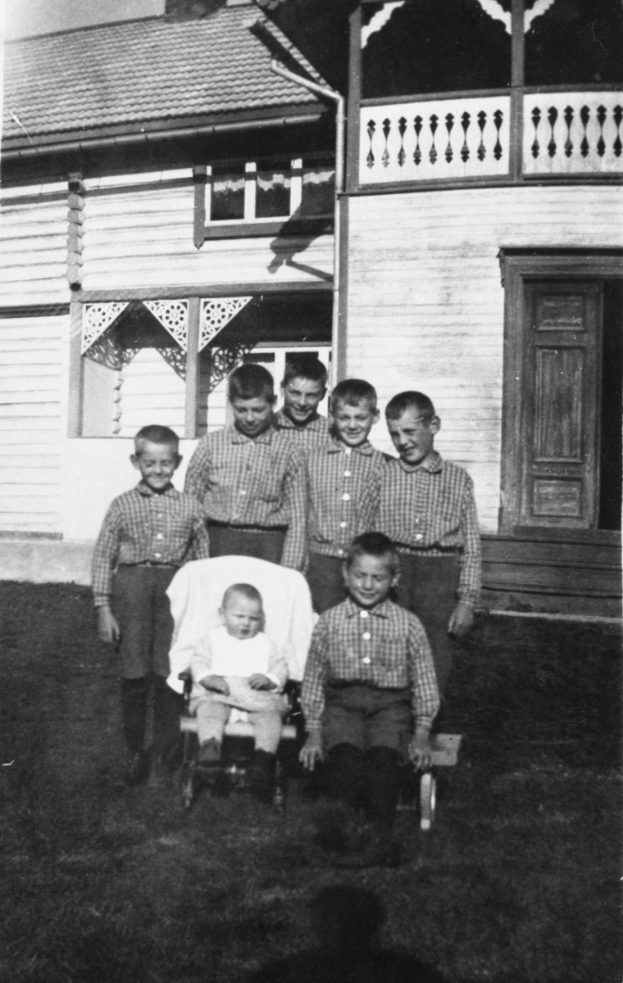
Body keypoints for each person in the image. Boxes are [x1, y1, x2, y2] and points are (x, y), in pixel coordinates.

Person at [300, 532, 439, 867]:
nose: (367, 584)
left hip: (389, 709)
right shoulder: (328, 622)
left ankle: (379, 838)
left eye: (378, 577)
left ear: (394, 580)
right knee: (343, 763)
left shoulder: (409, 625)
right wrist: (315, 731)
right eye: (360, 575)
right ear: (345, 575)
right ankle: (341, 840)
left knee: (382, 764)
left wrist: (422, 733)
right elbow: (314, 680)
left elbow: (424, 682)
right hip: (342, 706)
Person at [91, 424, 210, 787]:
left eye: (166, 463)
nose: (158, 470)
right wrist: (104, 608)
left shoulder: (191, 507)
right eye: (149, 462)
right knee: (134, 675)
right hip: (132, 591)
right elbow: (103, 557)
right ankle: (136, 752)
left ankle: (164, 753)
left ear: (177, 461)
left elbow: (202, 560)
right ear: (135, 461)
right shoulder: (121, 505)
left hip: (172, 594)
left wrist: (200, 608)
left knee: (168, 674)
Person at [375, 391, 481, 698]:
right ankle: (391, 729)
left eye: (410, 431)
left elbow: (471, 547)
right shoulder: (384, 473)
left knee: (435, 656)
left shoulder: (459, 479)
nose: (402, 441)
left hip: (439, 575)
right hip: (394, 574)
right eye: (394, 434)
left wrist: (467, 601)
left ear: (433, 425)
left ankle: (428, 729)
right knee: (391, 651)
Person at [184, 363, 307, 570]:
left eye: (258, 410)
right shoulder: (210, 444)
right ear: (231, 403)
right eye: (241, 410)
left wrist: (289, 571)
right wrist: (198, 556)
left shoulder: (289, 451)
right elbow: (190, 504)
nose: (250, 418)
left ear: (274, 403)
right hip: (218, 541)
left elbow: (298, 518)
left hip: (268, 547)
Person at [189, 583, 287, 799]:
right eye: (239, 616)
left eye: (253, 619)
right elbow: (198, 662)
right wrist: (208, 678)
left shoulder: (266, 643)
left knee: (270, 718)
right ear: (222, 615)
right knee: (209, 711)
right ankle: (210, 749)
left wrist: (269, 679)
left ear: (260, 618)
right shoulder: (212, 639)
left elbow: (280, 667)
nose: (246, 623)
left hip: (256, 698)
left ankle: (263, 758)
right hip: (220, 693)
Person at [306, 378, 386, 612]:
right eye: (344, 417)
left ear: (375, 416)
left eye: (360, 417)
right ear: (332, 417)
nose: (352, 425)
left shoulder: (384, 466)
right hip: (320, 563)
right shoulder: (312, 459)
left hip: (363, 567)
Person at [273, 352, 330, 450]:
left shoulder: (331, 432)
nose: (302, 403)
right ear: (282, 388)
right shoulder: (268, 427)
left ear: (323, 394)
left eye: (311, 395)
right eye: (295, 393)